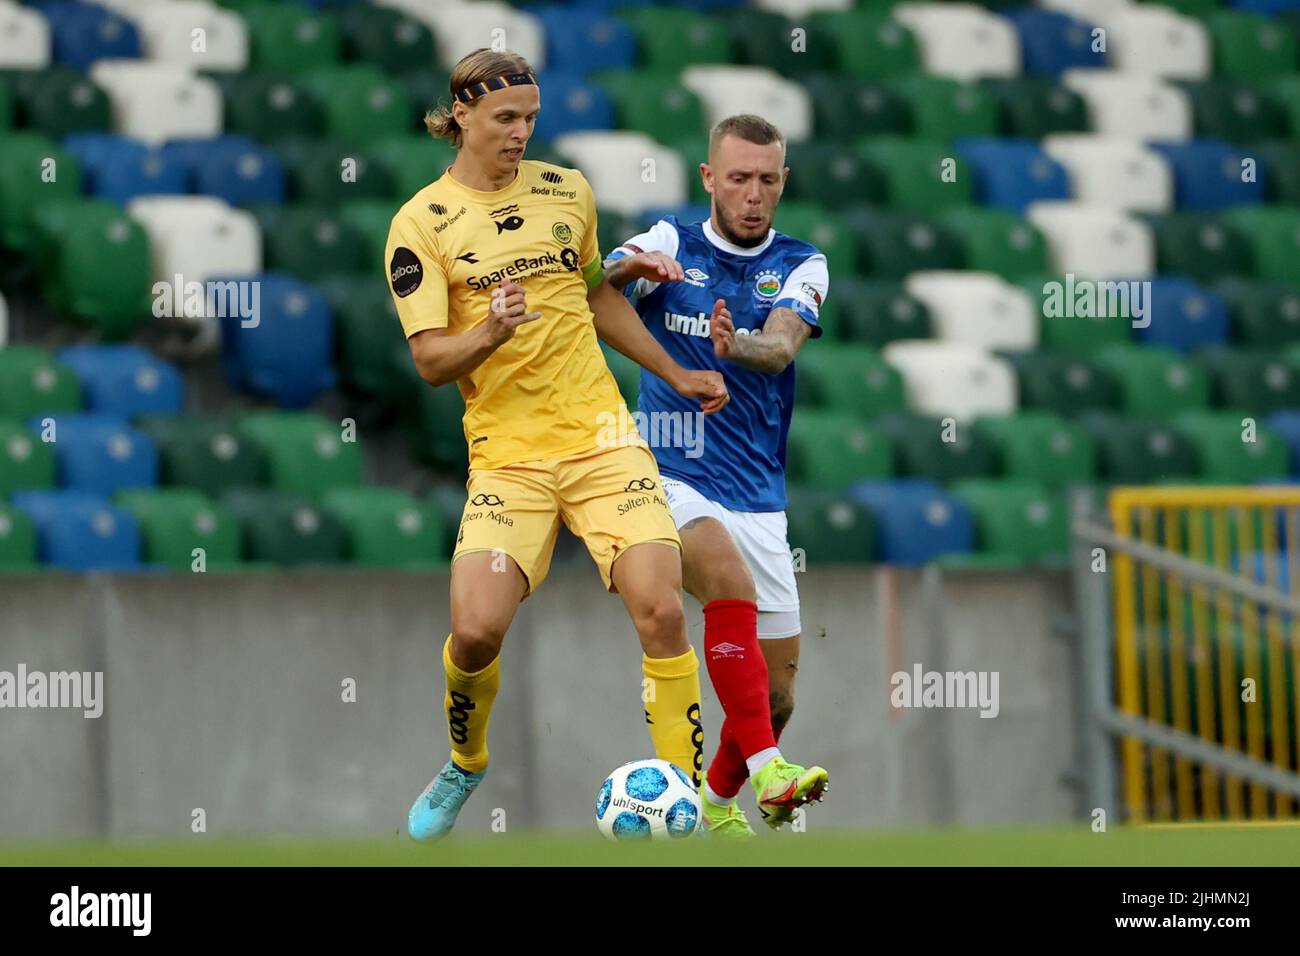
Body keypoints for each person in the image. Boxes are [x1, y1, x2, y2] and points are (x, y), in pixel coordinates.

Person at [384, 47, 733, 841]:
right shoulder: (420, 224)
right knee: (474, 631)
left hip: (604, 440)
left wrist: (676, 373)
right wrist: (492, 329)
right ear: (461, 117)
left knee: (660, 608)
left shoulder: (565, 190)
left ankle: (689, 802)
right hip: (509, 456)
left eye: (531, 117)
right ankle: (466, 763)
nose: (521, 132)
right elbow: (431, 360)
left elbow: (592, 298)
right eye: (506, 118)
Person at [604, 114, 830, 837]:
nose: (753, 193)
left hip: (759, 493)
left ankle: (717, 805)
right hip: (669, 471)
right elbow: (591, 284)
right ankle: (770, 769)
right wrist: (627, 269)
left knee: (779, 696)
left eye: (767, 179)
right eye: (738, 178)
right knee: (723, 577)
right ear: (709, 178)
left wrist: (741, 344)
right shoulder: (669, 240)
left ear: (783, 180)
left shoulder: (803, 262)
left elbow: (782, 349)